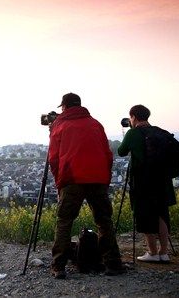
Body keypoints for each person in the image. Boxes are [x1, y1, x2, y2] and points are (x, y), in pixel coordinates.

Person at [48, 93, 125, 279]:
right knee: (104, 220)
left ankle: (59, 266)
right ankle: (113, 263)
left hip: (72, 178)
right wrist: (104, 178)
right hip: (97, 178)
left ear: (64, 107)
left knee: (64, 220)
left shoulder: (60, 125)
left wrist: (60, 182)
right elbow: (108, 154)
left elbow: (53, 158)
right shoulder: (95, 124)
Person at [117, 104, 176, 263]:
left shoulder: (133, 133)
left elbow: (121, 152)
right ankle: (164, 253)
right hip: (163, 180)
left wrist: (128, 133)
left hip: (143, 181)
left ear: (134, 117)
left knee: (145, 214)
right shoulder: (160, 132)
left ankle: (152, 252)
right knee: (161, 214)